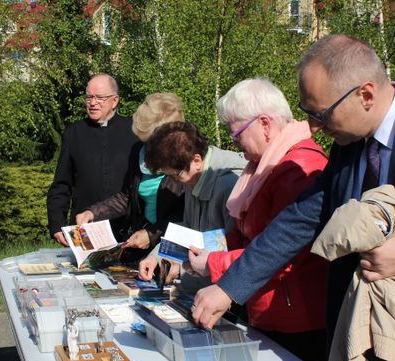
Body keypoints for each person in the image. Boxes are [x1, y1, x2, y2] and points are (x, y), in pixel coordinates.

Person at [191, 34, 395, 361]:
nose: (314, 126)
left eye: (321, 114)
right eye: (308, 112)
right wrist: (229, 288)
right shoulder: (349, 147)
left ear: (365, 94)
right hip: (384, 344)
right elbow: (296, 222)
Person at [188, 78, 329, 361]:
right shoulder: (266, 164)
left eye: (236, 132)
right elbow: (247, 233)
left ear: (264, 124)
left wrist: (214, 264)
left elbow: (283, 254)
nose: (233, 141)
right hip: (274, 310)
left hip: (298, 321)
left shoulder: (296, 169)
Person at [138, 121, 247, 292]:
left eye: (175, 175)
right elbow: (188, 230)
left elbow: (232, 254)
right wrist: (157, 256)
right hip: (202, 281)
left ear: (196, 160)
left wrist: (182, 271)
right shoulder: (194, 177)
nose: (175, 182)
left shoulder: (230, 185)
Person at [75, 93, 185, 260]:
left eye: (152, 142)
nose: (148, 149)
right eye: (145, 141)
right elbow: (126, 196)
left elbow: (185, 217)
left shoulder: (186, 163)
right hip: (141, 240)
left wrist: (151, 235)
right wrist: (92, 213)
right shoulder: (138, 151)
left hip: (173, 248)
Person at [47, 73, 138, 246]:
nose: (93, 102)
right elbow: (62, 184)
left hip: (127, 230)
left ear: (115, 101)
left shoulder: (134, 131)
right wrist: (57, 224)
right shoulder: (74, 133)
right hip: (85, 229)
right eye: (89, 97)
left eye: (100, 97)